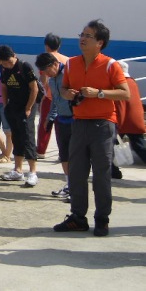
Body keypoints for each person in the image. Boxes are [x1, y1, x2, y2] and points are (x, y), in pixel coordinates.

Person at [54, 20, 129, 237]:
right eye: (82, 34)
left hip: (103, 125)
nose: (82, 39)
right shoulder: (71, 64)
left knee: (101, 174)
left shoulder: (110, 65)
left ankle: (102, 219)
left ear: (100, 42)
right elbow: (65, 89)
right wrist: (68, 94)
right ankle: (78, 217)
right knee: (76, 173)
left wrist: (99, 93)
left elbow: (125, 93)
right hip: (79, 123)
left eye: (88, 36)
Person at [0, 44, 40, 187]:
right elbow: (3, 86)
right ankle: (18, 170)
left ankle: (33, 172)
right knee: (16, 137)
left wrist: (28, 108)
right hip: (12, 107)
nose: (7, 65)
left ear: (14, 56)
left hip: (26, 107)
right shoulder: (3, 69)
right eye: (4, 63)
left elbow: (34, 88)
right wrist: (6, 103)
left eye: (9, 62)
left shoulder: (24, 67)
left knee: (27, 137)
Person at [35, 52, 73, 200]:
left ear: (55, 64)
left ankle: (77, 189)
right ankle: (69, 185)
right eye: (43, 71)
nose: (46, 73)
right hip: (61, 120)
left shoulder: (69, 74)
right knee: (64, 155)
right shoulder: (51, 81)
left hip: (75, 120)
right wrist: (49, 118)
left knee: (76, 156)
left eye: (47, 70)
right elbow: (54, 101)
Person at [37, 33, 69, 156]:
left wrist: (45, 91)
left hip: (51, 97)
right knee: (61, 127)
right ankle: (63, 152)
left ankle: (41, 150)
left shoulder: (46, 59)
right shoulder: (67, 59)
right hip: (65, 98)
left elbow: (44, 80)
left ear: (46, 45)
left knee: (45, 125)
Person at [114, 61, 146, 164]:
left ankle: (113, 172)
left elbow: (120, 106)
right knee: (139, 146)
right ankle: (113, 171)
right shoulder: (132, 82)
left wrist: (117, 125)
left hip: (125, 121)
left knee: (109, 147)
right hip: (135, 120)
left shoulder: (119, 85)